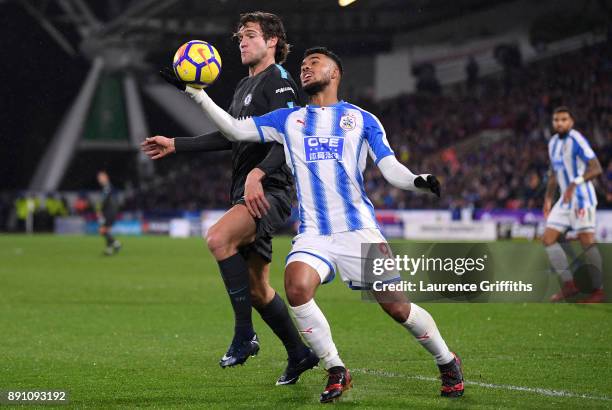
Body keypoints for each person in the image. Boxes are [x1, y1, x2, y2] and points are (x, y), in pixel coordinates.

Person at [179, 46, 464, 403]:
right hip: (314, 233)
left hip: (358, 230)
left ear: (336, 72)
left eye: (315, 62)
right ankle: (335, 369)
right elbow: (235, 131)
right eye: (303, 65)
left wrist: (416, 180)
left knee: (397, 308)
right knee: (296, 287)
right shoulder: (290, 120)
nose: (306, 68)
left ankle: (447, 360)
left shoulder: (362, 119)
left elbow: (390, 166)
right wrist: (198, 94)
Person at [141, 12, 318, 384]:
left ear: (272, 42)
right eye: (239, 37)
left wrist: (259, 173)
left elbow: (292, 134)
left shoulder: (280, 81)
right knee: (257, 290)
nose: (242, 41)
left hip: (271, 189)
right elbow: (232, 135)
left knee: (218, 237)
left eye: (250, 35)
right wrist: (177, 144)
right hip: (247, 189)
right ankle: (300, 354)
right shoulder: (242, 87)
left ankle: (244, 336)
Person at [543, 106, 605, 303]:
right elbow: (553, 173)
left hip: (581, 197)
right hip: (564, 201)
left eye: (563, 119)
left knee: (587, 242)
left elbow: (596, 168)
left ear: (571, 122)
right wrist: (548, 199)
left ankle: (598, 289)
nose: (559, 123)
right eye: (556, 120)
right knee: (548, 239)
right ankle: (570, 285)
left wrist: (575, 182)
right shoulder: (552, 143)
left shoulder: (576, 139)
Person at [97, 171, 121, 256]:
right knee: (107, 231)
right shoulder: (107, 187)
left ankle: (116, 244)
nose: (99, 179)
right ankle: (109, 249)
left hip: (109, 212)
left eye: (101, 177)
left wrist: (100, 211)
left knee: (102, 230)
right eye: (99, 178)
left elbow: (104, 200)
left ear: (105, 178)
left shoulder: (107, 187)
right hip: (110, 211)